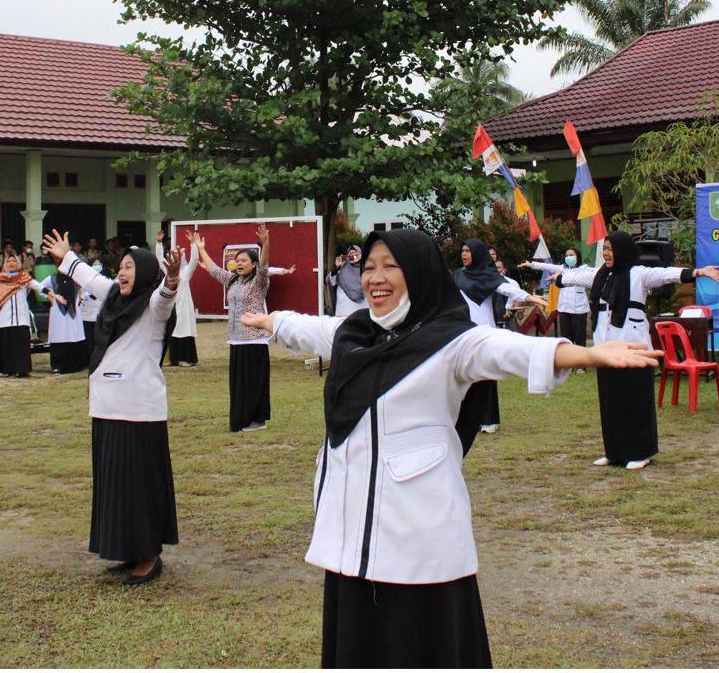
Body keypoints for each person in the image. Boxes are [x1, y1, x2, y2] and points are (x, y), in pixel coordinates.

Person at [239, 229, 662, 667]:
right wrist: (272, 321)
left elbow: (507, 348)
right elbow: (315, 329)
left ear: (419, 273)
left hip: (417, 536)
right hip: (351, 536)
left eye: (390, 267)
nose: (375, 278)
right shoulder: (357, 334)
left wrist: (586, 355)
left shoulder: (452, 341)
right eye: (368, 268)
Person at [43, 229, 182, 585]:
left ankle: (148, 554)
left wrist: (172, 278)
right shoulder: (113, 299)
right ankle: (127, 548)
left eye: (130, 268)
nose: (121, 273)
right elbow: (91, 278)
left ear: (147, 274)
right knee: (115, 485)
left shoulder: (152, 306)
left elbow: (165, 299)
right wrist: (67, 256)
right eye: (120, 266)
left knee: (138, 484)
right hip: (106, 407)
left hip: (139, 411)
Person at [557, 231, 719, 470]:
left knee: (635, 400)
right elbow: (577, 277)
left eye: (611, 249)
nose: (606, 253)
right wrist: (559, 278)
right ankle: (615, 451)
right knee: (610, 401)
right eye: (604, 249)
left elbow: (665, 274)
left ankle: (640, 451)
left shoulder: (639, 274)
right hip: (606, 350)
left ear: (622, 250)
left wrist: (698, 272)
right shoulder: (600, 275)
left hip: (634, 348)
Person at [454, 237, 547, 435]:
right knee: (464, 376)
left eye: (468, 251)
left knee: (485, 375)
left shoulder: (488, 275)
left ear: (477, 253)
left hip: (483, 332)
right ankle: (468, 418)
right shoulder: (457, 275)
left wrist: (528, 297)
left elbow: (506, 288)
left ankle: (489, 419)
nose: (464, 254)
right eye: (462, 250)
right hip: (462, 331)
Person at [194, 226, 273, 432]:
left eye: (244, 260)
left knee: (254, 383)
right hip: (236, 339)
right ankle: (241, 418)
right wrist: (201, 248)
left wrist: (265, 244)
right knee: (239, 384)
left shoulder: (259, 281)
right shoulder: (232, 280)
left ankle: (257, 420)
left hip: (254, 339)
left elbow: (264, 265)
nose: (239, 263)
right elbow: (213, 269)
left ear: (253, 263)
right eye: (237, 260)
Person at [0, 252, 63, 378]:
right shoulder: (0, 278)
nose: (11, 263)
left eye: (14, 261)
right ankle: (7, 369)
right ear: (5, 264)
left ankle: (22, 369)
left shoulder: (24, 278)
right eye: (9, 261)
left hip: (21, 316)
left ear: (18, 263)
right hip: (5, 317)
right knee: (7, 342)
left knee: (21, 343)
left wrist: (55, 295)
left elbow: (39, 287)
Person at [521, 248, 591, 351]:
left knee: (579, 339)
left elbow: (596, 273)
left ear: (577, 257)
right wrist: (532, 265)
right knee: (566, 340)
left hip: (579, 311)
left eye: (571, 255)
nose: (568, 257)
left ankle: (581, 366)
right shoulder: (562, 269)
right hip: (564, 309)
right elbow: (548, 266)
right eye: (567, 256)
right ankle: (568, 364)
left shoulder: (583, 269)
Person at [155, 230, 200, 367]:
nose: (174, 257)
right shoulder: (168, 270)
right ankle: (172, 358)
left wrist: (193, 244)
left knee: (184, 330)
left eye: (177, 254)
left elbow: (194, 260)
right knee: (172, 330)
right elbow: (159, 257)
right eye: (173, 254)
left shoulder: (186, 271)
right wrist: (158, 242)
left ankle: (186, 358)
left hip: (184, 306)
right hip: (171, 305)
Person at [40, 266, 87, 374]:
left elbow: (88, 289)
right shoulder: (52, 278)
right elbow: (40, 287)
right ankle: (57, 366)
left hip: (74, 313)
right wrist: (49, 298)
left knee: (74, 337)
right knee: (59, 337)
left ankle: (74, 366)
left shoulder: (77, 278)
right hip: (58, 313)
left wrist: (80, 298)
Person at [327, 245, 367, 318]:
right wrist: (336, 268)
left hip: (362, 308)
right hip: (344, 310)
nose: (353, 255)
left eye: (355, 253)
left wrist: (363, 260)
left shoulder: (365, 267)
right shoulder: (342, 267)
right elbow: (331, 281)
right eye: (350, 254)